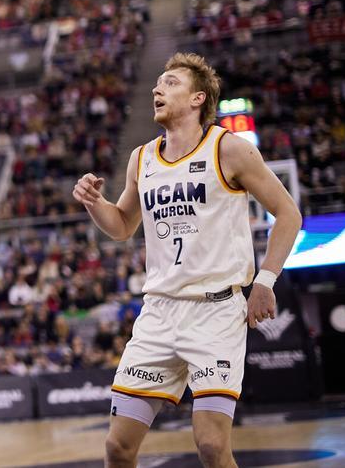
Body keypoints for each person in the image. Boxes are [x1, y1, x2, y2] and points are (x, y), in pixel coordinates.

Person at [70, 53, 302, 468]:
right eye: (157, 82)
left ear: (198, 98)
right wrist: (95, 203)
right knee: (117, 449)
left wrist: (265, 280)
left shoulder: (229, 149)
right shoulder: (141, 158)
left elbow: (289, 214)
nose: (157, 89)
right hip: (159, 311)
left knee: (212, 447)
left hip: (215, 312)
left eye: (170, 82)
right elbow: (122, 225)